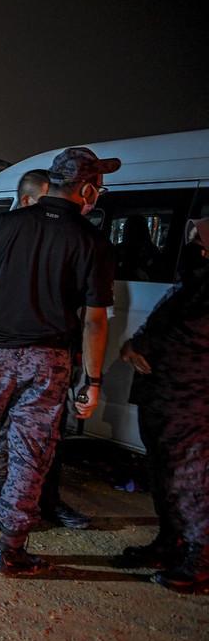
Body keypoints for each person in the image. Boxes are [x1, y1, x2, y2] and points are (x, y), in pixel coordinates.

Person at [0, 147, 117, 576]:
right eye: (98, 186)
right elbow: (93, 322)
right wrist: (93, 380)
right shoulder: (93, 241)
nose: (99, 193)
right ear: (86, 189)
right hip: (50, 362)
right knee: (31, 454)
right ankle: (10, 550)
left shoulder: (2, 225)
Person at [116, 218, 209, 592]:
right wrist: (138, 343)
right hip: (166, 393)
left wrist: (144, 346)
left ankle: (200, 557)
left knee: (193, 478)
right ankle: (171, 541)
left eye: (200, 241)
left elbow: (187, 330)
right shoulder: (196, 281)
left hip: (192, 397)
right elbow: (161, 321)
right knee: (164, 472)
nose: (195, 248)